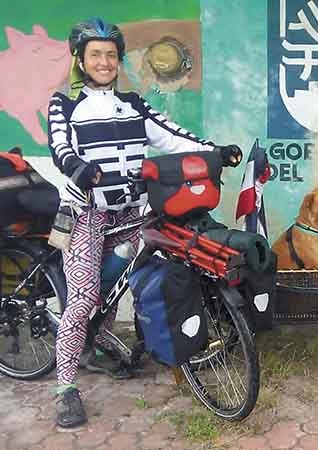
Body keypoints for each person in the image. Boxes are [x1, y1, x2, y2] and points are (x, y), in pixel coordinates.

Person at [47, 17, 242, 428]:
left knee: (135, 278)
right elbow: (60, 145)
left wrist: (214, 151)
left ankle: (114, 343)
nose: (104, 62)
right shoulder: (64, 103)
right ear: (81, 60)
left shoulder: (133, 104)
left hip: (134, 212)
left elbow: (173, 135)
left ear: (119, 62)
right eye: (95, 55)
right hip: (88, 213)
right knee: (83, 299)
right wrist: (77, 168)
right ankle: (65, 388)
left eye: (111, 55)